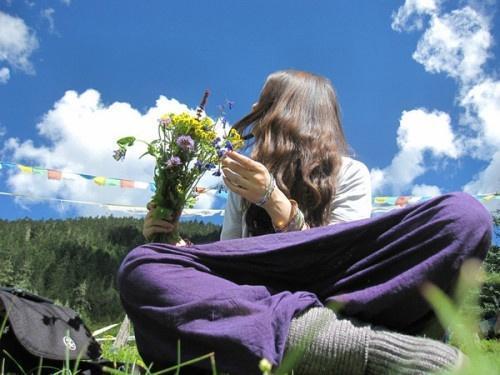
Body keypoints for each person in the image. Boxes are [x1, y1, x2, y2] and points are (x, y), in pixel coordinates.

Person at [119, 70, 492, 374]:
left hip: (342, 288)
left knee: (465, 216)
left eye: (264, 102)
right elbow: (228, 267)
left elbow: (340, 255)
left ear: (292, 113)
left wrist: (277, 203)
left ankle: (317, 340)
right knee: (143, 265)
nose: (253, 109)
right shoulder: (240, 188)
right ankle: (371, 351)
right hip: (262, 297)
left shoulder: (350, 174)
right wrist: (174, 247)